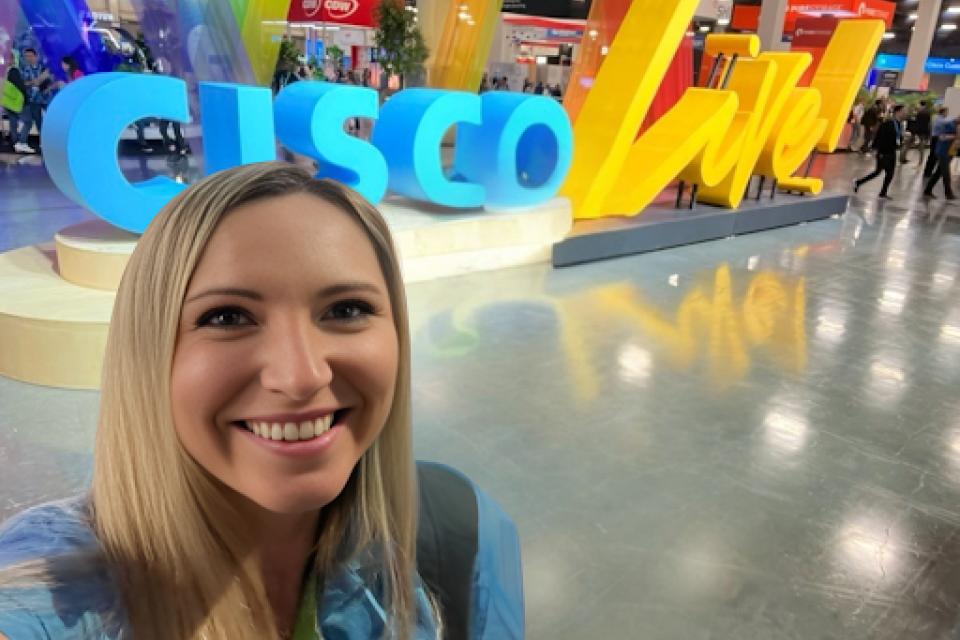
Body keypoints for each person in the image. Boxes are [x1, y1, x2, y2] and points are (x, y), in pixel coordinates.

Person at [0, 163, 442, 639]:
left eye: (347, 310)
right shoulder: (50, 592)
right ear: (147, 355)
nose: (300, 377)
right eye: (228, 317)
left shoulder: (381, 566)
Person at [853, 104, 906, 200]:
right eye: (903, 111)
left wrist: (902, 139)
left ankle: (882, 192)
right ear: (898, 112)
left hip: (892, 151)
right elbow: (880, 137)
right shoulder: (888, 123)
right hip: (884, 152)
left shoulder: (898, 124)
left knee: (888, 173)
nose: (905, 113)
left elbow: (897, 137)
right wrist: (878, 151)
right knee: (879, 172)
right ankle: (859, 183)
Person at [14, 48, 50, 154]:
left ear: (36, 56)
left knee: (49, 120)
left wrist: (41, 82)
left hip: (45, 98)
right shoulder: (25, 69)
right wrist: (32, 82)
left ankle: (51, 140)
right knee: (38, 121)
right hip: (33, 100)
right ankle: (42, 142)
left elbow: (49, 79)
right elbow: (23, 83)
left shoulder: (43, 68)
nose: (28, 58)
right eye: (26, 56)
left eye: (30, 56)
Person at [923, 116, 959, 200]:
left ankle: (927, 190)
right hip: (942, 152)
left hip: (950, 152)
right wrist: (955, 136)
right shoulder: (948, 124)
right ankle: (948, 194)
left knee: (939, 173)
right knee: (946, 173)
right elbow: (942, 137)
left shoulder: (956, 125)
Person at [3, 65, 27, 152]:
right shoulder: (20, 84)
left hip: (10, 107)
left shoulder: (6, 84)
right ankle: (20, 142)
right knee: (26, 123)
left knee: (13, 125)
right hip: (18, 107)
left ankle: (15, 143)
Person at [924, 106, 949, 178]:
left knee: (932, 156)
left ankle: (927, 171)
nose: (947, 114)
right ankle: (928, 172)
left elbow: (930, 127)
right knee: (934, 156)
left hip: (933, 138)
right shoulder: (941, 120)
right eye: (946, 112)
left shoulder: (934, 118)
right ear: (943, 112)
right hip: (937, 138)